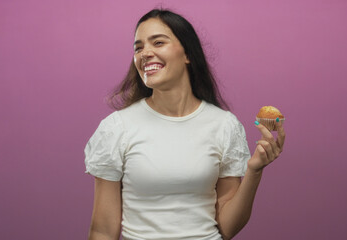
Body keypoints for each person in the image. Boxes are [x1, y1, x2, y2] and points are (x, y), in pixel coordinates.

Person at [84, 9, 286, 240]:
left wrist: (254, 170)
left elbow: (227, 228)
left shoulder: (224, 125)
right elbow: (102, 231)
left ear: (188, 53)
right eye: (138, 48)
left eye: (158, 42)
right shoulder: (116, 128)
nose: (145, 53)